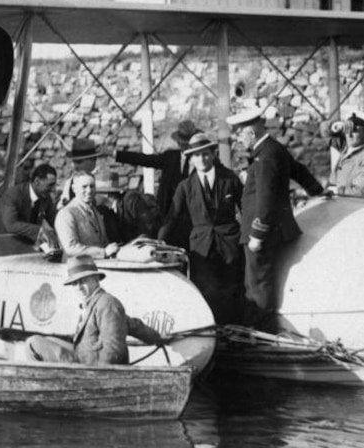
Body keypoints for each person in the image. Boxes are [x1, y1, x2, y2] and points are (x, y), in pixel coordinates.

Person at [229, 106, 324, 332]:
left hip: (262, 231)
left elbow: (266, 198)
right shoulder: (273, 149)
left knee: (258, 285)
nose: (237, 140)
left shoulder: (266, 156)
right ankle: (257, 329)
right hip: (270, 229)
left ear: (250, 133)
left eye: (239, 135)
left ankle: (263, 333)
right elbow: (297, 170)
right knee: (255, 282)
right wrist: (317, 191)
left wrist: (257, 234)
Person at [158, 132, 245, 325]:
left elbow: (245, 209)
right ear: (191, 159)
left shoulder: (230, 179)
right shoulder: (185, 186)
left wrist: (250, 237)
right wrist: (158, 242)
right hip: (201, 248)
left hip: (229, 243)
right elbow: (172, 216)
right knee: (206, 291)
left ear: (213, 154)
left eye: (205, 154)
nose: (202, 159)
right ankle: (212, 333)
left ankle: (234, 333)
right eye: (196, 155)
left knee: (232, 289)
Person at [26, 255, 165, 365]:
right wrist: (157, 338)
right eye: (75, 283)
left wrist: (98, 378)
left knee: (33, 343)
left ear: (96, 279)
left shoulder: (107, 303)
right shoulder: (95, 302)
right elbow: (132, 324)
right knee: (48, 339)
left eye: (83, 281)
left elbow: (114, 349)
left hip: (91, 367)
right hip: (84, 357)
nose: (79, 287)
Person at [115, 118, 199, 247]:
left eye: (189, 144)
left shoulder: (202, 161)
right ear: (178, 143)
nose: (186, 147)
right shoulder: (170, 157)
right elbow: (145, 160)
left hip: (194, 219)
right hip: (168, 217)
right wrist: (117, 155)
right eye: (183, 143)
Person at [54, 172, 121, 258]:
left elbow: (103, 242)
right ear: (74, 189)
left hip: (98, 265)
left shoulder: (95, 212)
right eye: (84, 187)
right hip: (75, 268)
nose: (89, 191)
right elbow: (71, 248)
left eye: (92, 186)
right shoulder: (66, 214)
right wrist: (103, 252)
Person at [0, 163, 58, 244]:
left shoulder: (45, 197)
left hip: (21, 244)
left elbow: (53, 219)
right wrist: (40, 230)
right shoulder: (13, 194)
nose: (53, 189)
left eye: (54, 185)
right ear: (37, 181)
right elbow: (11, 225)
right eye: (50, 185)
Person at [328, 111, 364, 196]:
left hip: (354, 205)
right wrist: (337, 125)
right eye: (347, 130)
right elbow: (326, 130)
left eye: (355, 130)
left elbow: (361, 192)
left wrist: (336, 191)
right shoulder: (347, 149)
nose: (349, 135)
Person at [58, 137, 105, 207]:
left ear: (92, 161)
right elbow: (62, 204)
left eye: (79, 162)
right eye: (74, 162)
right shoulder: (70, 182)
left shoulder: (103, 180)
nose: (75, 166)